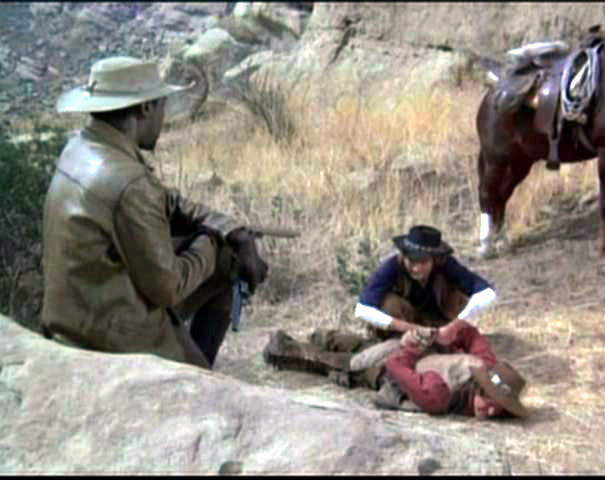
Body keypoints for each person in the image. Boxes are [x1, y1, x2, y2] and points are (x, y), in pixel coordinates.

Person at [41, 56, 268, 369]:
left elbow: (166, 203)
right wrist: (213, 241)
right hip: (112, 336)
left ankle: (196, 362)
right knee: (225, 258)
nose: (163, 115)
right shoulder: (129, 181)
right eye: (162, 104)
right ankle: (195, 376)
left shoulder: (81, 149)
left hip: (79, 314)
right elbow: (168, 289)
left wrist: (232, 230)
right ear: (146, 108)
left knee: (226, 256)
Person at [263, 225, 496, 390]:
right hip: (400, 332)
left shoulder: (447, 266)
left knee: (369, 356)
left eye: (422, 263)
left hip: (435, 334)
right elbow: (363, 309)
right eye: (410, 261)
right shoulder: (391, 267)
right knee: (363, 362)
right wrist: (409, 329)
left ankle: (326, 339)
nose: (415, 268)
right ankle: (293, 350)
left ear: (435, 259)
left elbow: (487, 293)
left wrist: (453, 327)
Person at [379, 321, 529, 419]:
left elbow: (395, 364)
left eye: (499, 409)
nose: (490, 412)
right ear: (480, 388)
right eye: (490, 403)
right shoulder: (487, 367)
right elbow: (468, 332)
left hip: (402, 360)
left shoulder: (438, 396)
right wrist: (441, 335)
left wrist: (412, 349)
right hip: (396, 354)